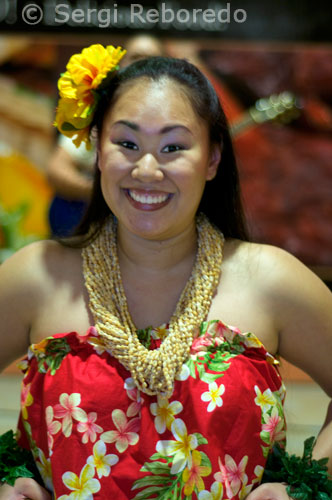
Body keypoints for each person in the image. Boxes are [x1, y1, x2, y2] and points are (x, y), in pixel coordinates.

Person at [0, 44, 332, 500]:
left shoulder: (272, 281)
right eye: (127, 143)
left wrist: (306, 486)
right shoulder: (35, 276)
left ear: (212, 159)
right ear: (97, 148)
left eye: (173, 146)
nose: (147, 169)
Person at [47, 34, 166, 238]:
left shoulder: (169, 116)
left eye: (152, 59)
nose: (143, 65)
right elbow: (56, 170)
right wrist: (99, 192)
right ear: (120, 64)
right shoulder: (98, 110)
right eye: (136, 57)